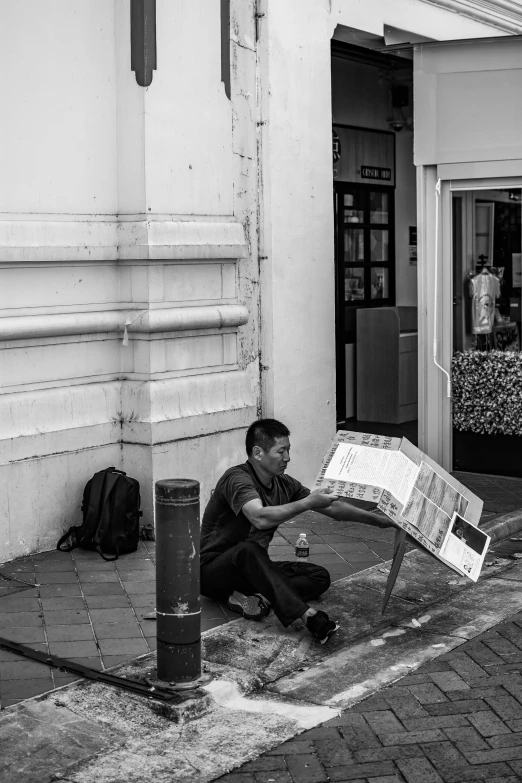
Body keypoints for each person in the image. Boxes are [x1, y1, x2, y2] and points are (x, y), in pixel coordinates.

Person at [200, 418, 392, 644]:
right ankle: (309, 617)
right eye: (281, 452)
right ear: (258, 452)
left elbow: (331, 507)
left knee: (319, 577)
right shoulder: (237, 479)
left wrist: (381, 521)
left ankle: (256, 598)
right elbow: (259, 518)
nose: (287, 458)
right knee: (248, 549)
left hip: (253, 572)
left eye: (288, 450)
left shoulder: (284, 483)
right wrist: (308, 503)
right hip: (213, 572)